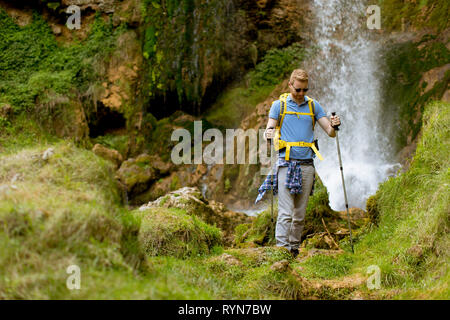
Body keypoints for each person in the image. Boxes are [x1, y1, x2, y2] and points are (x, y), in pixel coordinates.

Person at [256, 69, 340, 257]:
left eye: (304, 90)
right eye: (298, 90)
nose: (301, 94)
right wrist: (268, 134)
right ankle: (281, 249)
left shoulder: (313, 106)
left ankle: (293, 249)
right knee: (286, 212)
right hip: (286, 163)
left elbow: (330, 132)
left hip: (307, 164)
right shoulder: (279, 106)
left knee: (300, 214)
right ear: (290, 85)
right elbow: (269, 129)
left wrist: (335, 125)